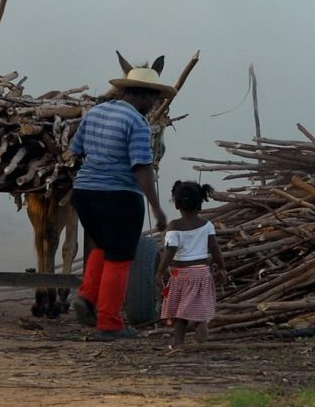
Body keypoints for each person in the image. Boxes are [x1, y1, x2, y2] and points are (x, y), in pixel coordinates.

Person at [69, 52, 176, 341]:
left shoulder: (95, 113)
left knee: (102, 247)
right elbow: (141, 168)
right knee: (120, 258)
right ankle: (110, 323)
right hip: (119, 197)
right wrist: (157, 209)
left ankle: (88, 296)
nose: (154, 104)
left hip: (84, 194)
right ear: (143, 95)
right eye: (153, 99)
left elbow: (75, 150)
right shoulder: (138, 123)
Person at [156, 180, 227, 348]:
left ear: (177, 204)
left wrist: (160, 272)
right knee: (200, 312)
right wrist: (222, 268)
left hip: (181, 275)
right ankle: (201, 332)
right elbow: (215, 248)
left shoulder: (174, 227)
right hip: (202, 273)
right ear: (200, 204)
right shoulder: (207, 225)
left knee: (180, 314)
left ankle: (178, 343)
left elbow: (169, 252)